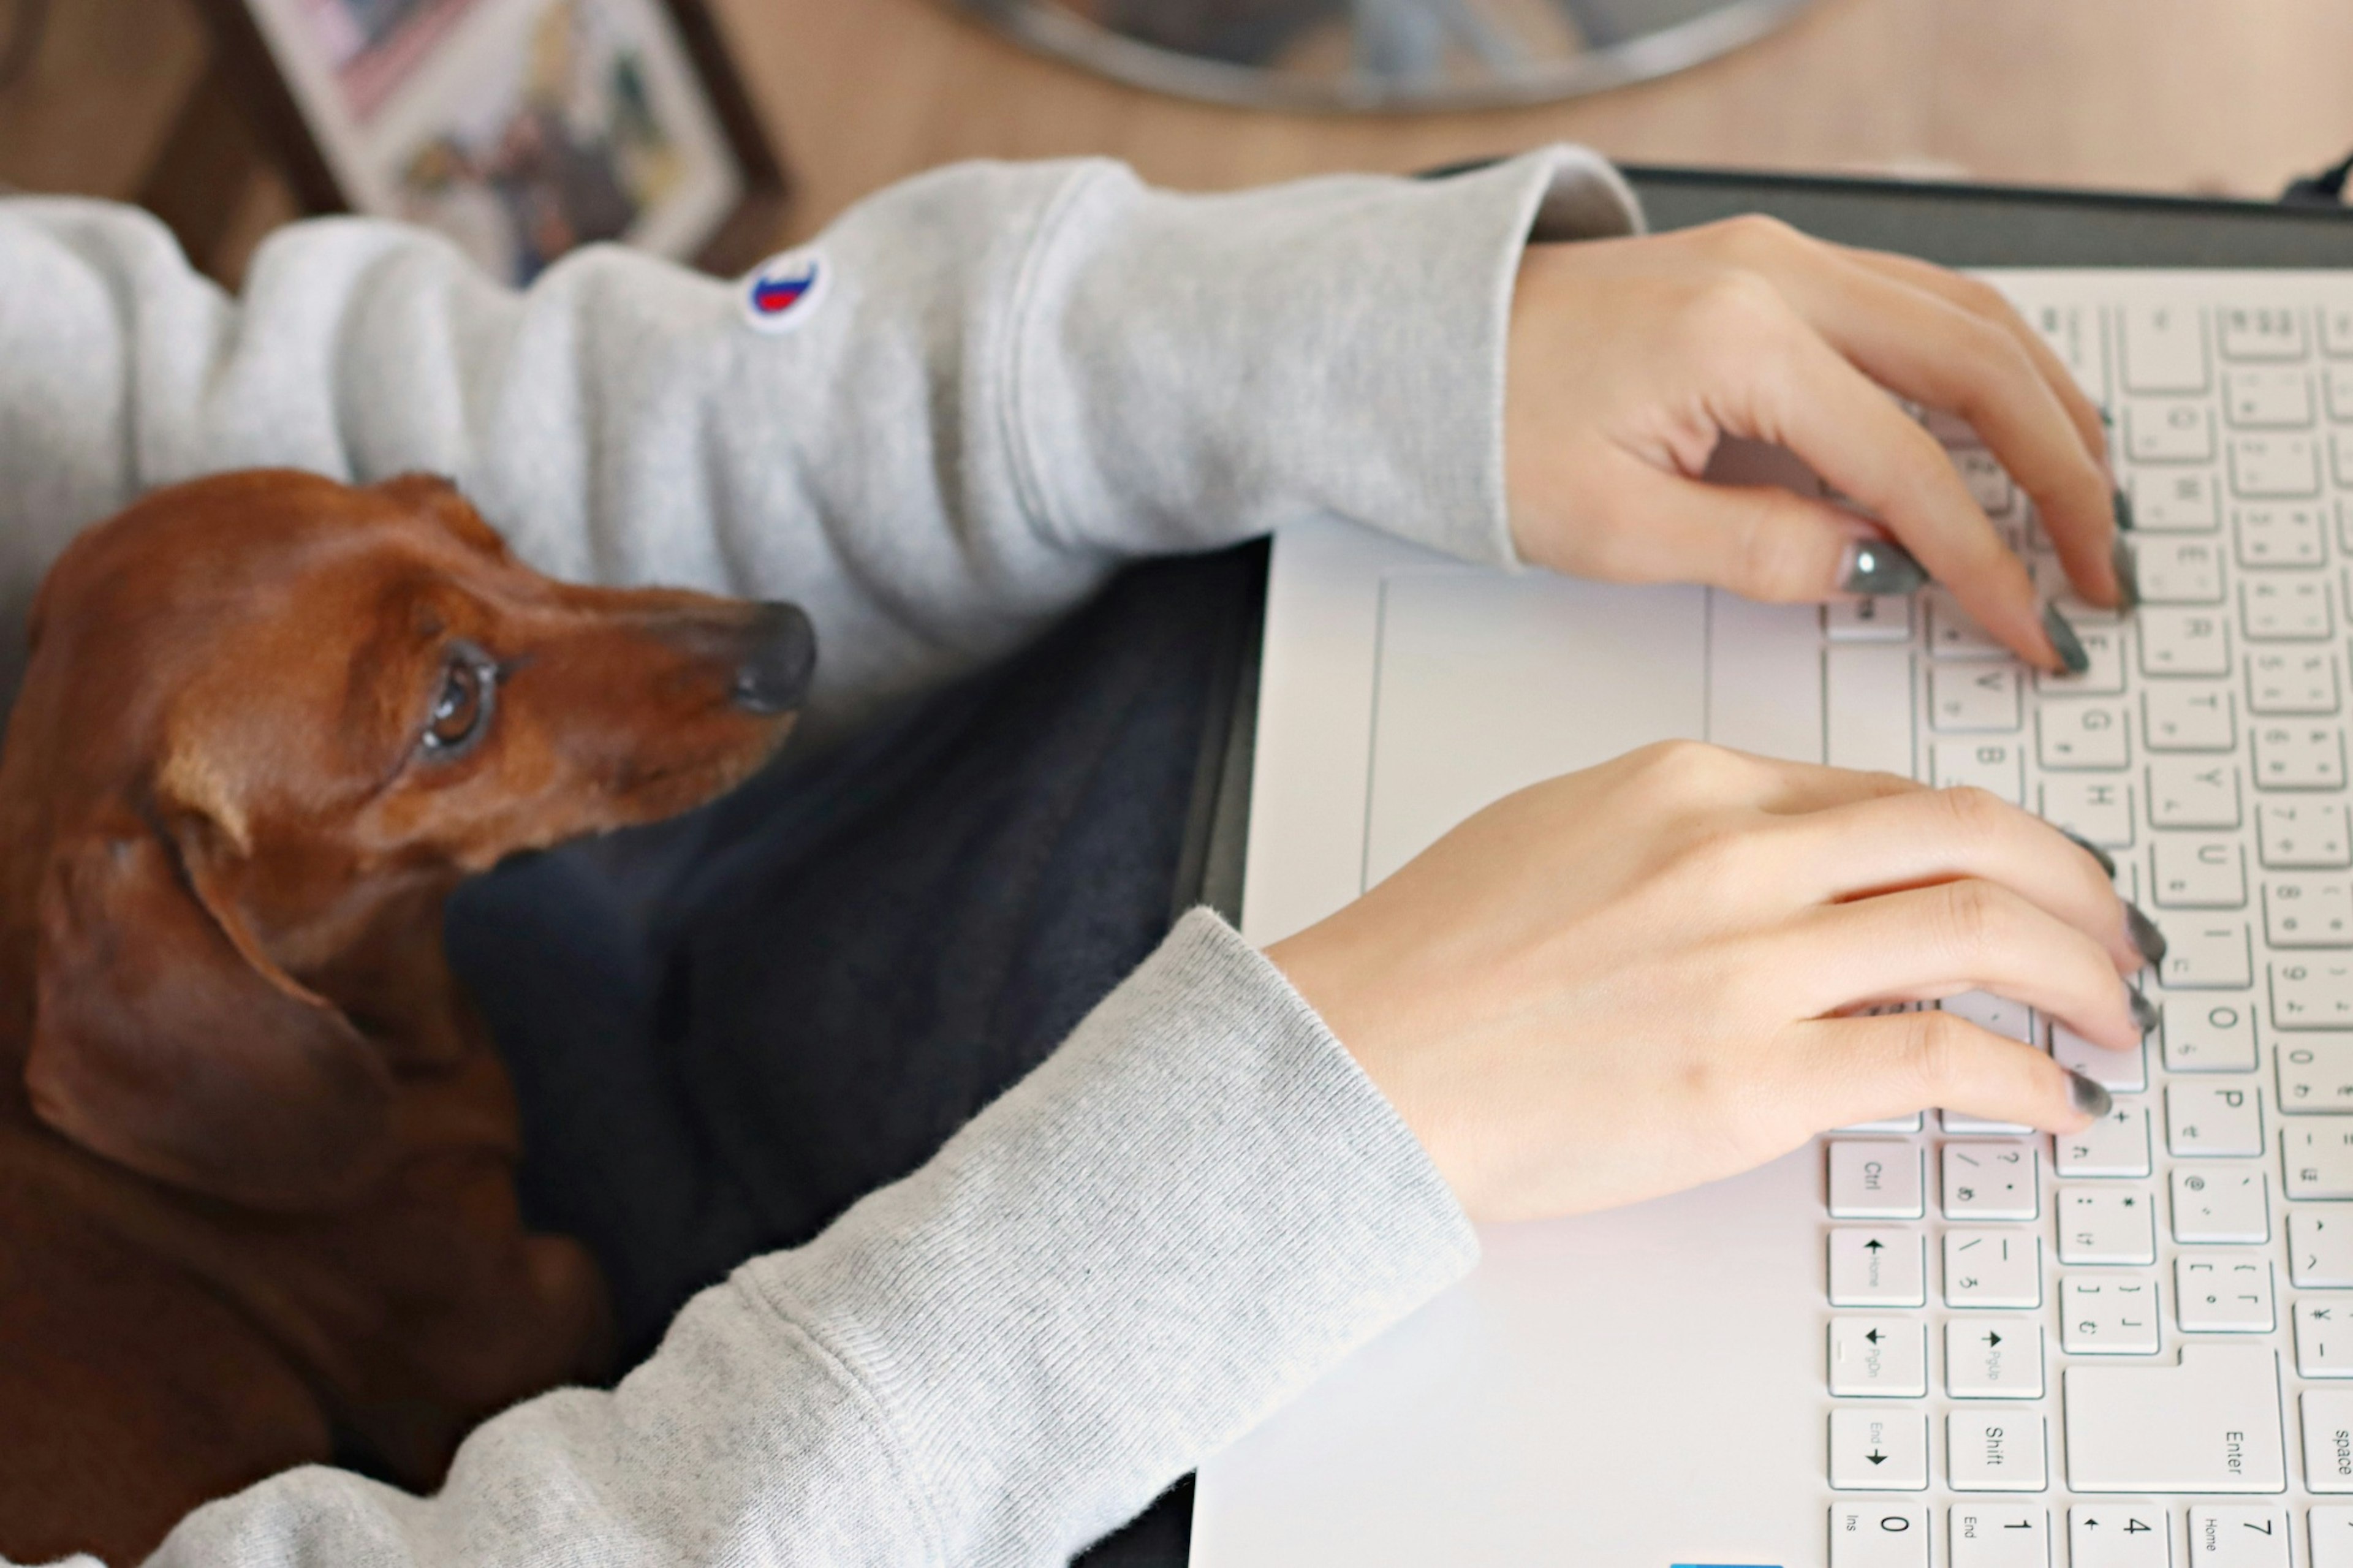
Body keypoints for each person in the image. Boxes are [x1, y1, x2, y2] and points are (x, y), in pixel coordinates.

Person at [0, 145, 2148, 1564]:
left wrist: (1365, 338)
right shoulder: (179, 1036)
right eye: (450, 698)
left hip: (566, 1059)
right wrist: (1311, 1127)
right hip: (660, 1459)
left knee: (1325, 550)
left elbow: (206, 407)